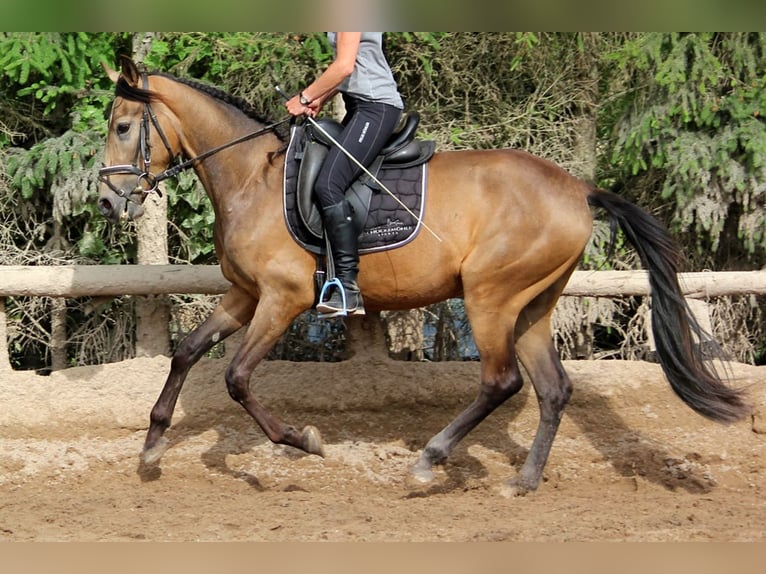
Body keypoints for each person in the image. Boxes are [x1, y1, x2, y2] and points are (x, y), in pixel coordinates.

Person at [286, 32, 404, 316]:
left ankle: (348, 289)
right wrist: (322, 98)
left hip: (375, 107)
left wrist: (305, 96)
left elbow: (344, 66)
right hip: (362, 105)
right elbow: (355, 68)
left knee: (328, 185)